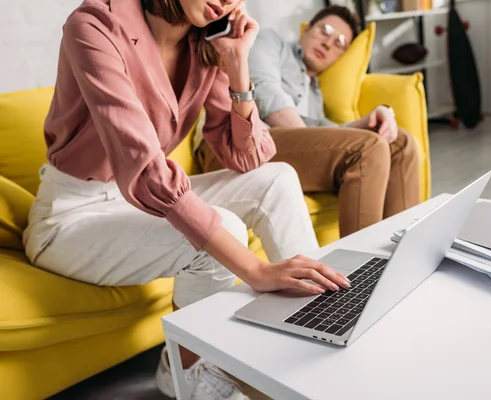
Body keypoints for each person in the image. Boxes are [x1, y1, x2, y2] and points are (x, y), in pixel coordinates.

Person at [22, 1, 350, 399]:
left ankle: (323, 325)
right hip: (74, 214)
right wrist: (258, 271)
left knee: (276, 178)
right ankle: (188, 371)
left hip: (140, 202)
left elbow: (246, 157)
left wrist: (237, 65)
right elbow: (145, 171)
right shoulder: (93, 26)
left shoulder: (204, 42)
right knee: (220, 228)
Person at [196, 5, 421, 238]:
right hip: (234, 143)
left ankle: (405, 256)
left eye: (340, 43)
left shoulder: (315, 94)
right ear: (306, 30)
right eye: (326, 31)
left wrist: (370, 121)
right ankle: (362, 270)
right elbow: (266, 94)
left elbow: (323, 137)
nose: (328, 43)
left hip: (279, 149)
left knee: (401, 143)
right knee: (369, 148)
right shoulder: (269, 40)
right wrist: (349, 142)